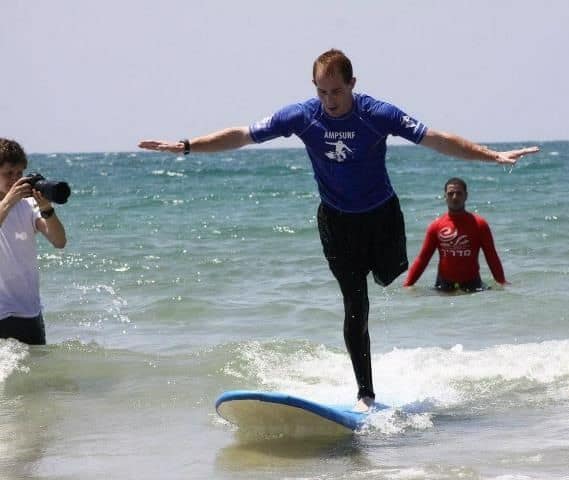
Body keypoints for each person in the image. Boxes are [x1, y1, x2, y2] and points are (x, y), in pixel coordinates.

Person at [138, 48, 539, 411]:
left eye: (337, 91)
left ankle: (380, 295)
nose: (330, 101)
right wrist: (187, 145)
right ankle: (365, 392)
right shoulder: (300, 116)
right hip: (336, 221)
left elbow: (436, 140)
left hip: (382, 215)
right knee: (354, 303)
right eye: (322, 92)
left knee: (387, 275)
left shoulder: (376, 113)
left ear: (352, 84)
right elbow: (243, 135)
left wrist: (492, 156)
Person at [0, 138, 67, 345]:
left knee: (39, 375)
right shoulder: (12, 202)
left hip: (29, 311)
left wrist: (47, 208)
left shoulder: (28, 204)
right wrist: (9, 201)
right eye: (8, 173)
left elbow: (59, 241)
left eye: (19, 173)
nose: (16, 179)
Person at [404, 177, 507, 292]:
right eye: (450, 193)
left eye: (459, 193)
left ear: (466, 196)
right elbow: (423, 259)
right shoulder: (436, 226)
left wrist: (502, 283)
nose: (454, 197)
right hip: (444, 285)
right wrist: (408, 285)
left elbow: (491, 256)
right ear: (445, 197)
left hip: (473, 284)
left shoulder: (479, 224)